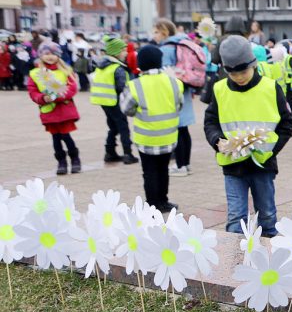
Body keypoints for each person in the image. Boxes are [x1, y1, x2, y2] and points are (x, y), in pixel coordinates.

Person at [204, 35, 292, 237]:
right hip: (233, 164)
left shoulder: (270, 88)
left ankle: (270, 260)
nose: (239, 77)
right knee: (236, 218)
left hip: (263, 165)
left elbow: (287, 122)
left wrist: (272, 149)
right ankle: (234, 263)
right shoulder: (219, 89)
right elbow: (210, 121)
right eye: (232, 73)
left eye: (243, 71)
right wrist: (217, 140)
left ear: (253, 64)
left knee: (268, 216)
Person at [120, 45, 183, 213]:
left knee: (149, 172)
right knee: (163, 170)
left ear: (140, 64)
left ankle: (152, 204)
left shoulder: (134, 85)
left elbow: (126, 109)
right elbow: (179, 105)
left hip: (146, 139)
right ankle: (163, 201)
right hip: (168, 137)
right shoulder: (174, 82)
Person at [26, 40, 82, 175]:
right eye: (46, 53)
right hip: (49, 111)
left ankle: (75, 158)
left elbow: (72, 88)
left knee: (66, 135)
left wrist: (58, 96)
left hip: (64, 110)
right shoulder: (36, 73)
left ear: (58, 55)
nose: (49, 56)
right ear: (40, 55)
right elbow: (32, 91)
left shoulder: (65, 71)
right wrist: (42, 98)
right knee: (55, 138)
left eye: (53, 53)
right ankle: (61, 161)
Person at [153, 18, 195, 178]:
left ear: (164, 31)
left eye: (156, 31)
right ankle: (187, 164)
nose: (154, 35)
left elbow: (164, 73)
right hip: (184, 88)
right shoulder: (181, 43)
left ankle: (180, 165)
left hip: (172, 92)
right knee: (184, 130)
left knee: (177, 130)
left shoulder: (165, 49)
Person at [92, 36, 138, 164]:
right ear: (116, 52)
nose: (126, 53)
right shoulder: (117, 68)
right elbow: (122, 87)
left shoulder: (102, 65)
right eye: (123, 50)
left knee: (113, 127)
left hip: (104, 101)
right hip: (115, 101)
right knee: (123, 127)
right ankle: (128, 154)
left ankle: (110, 152)